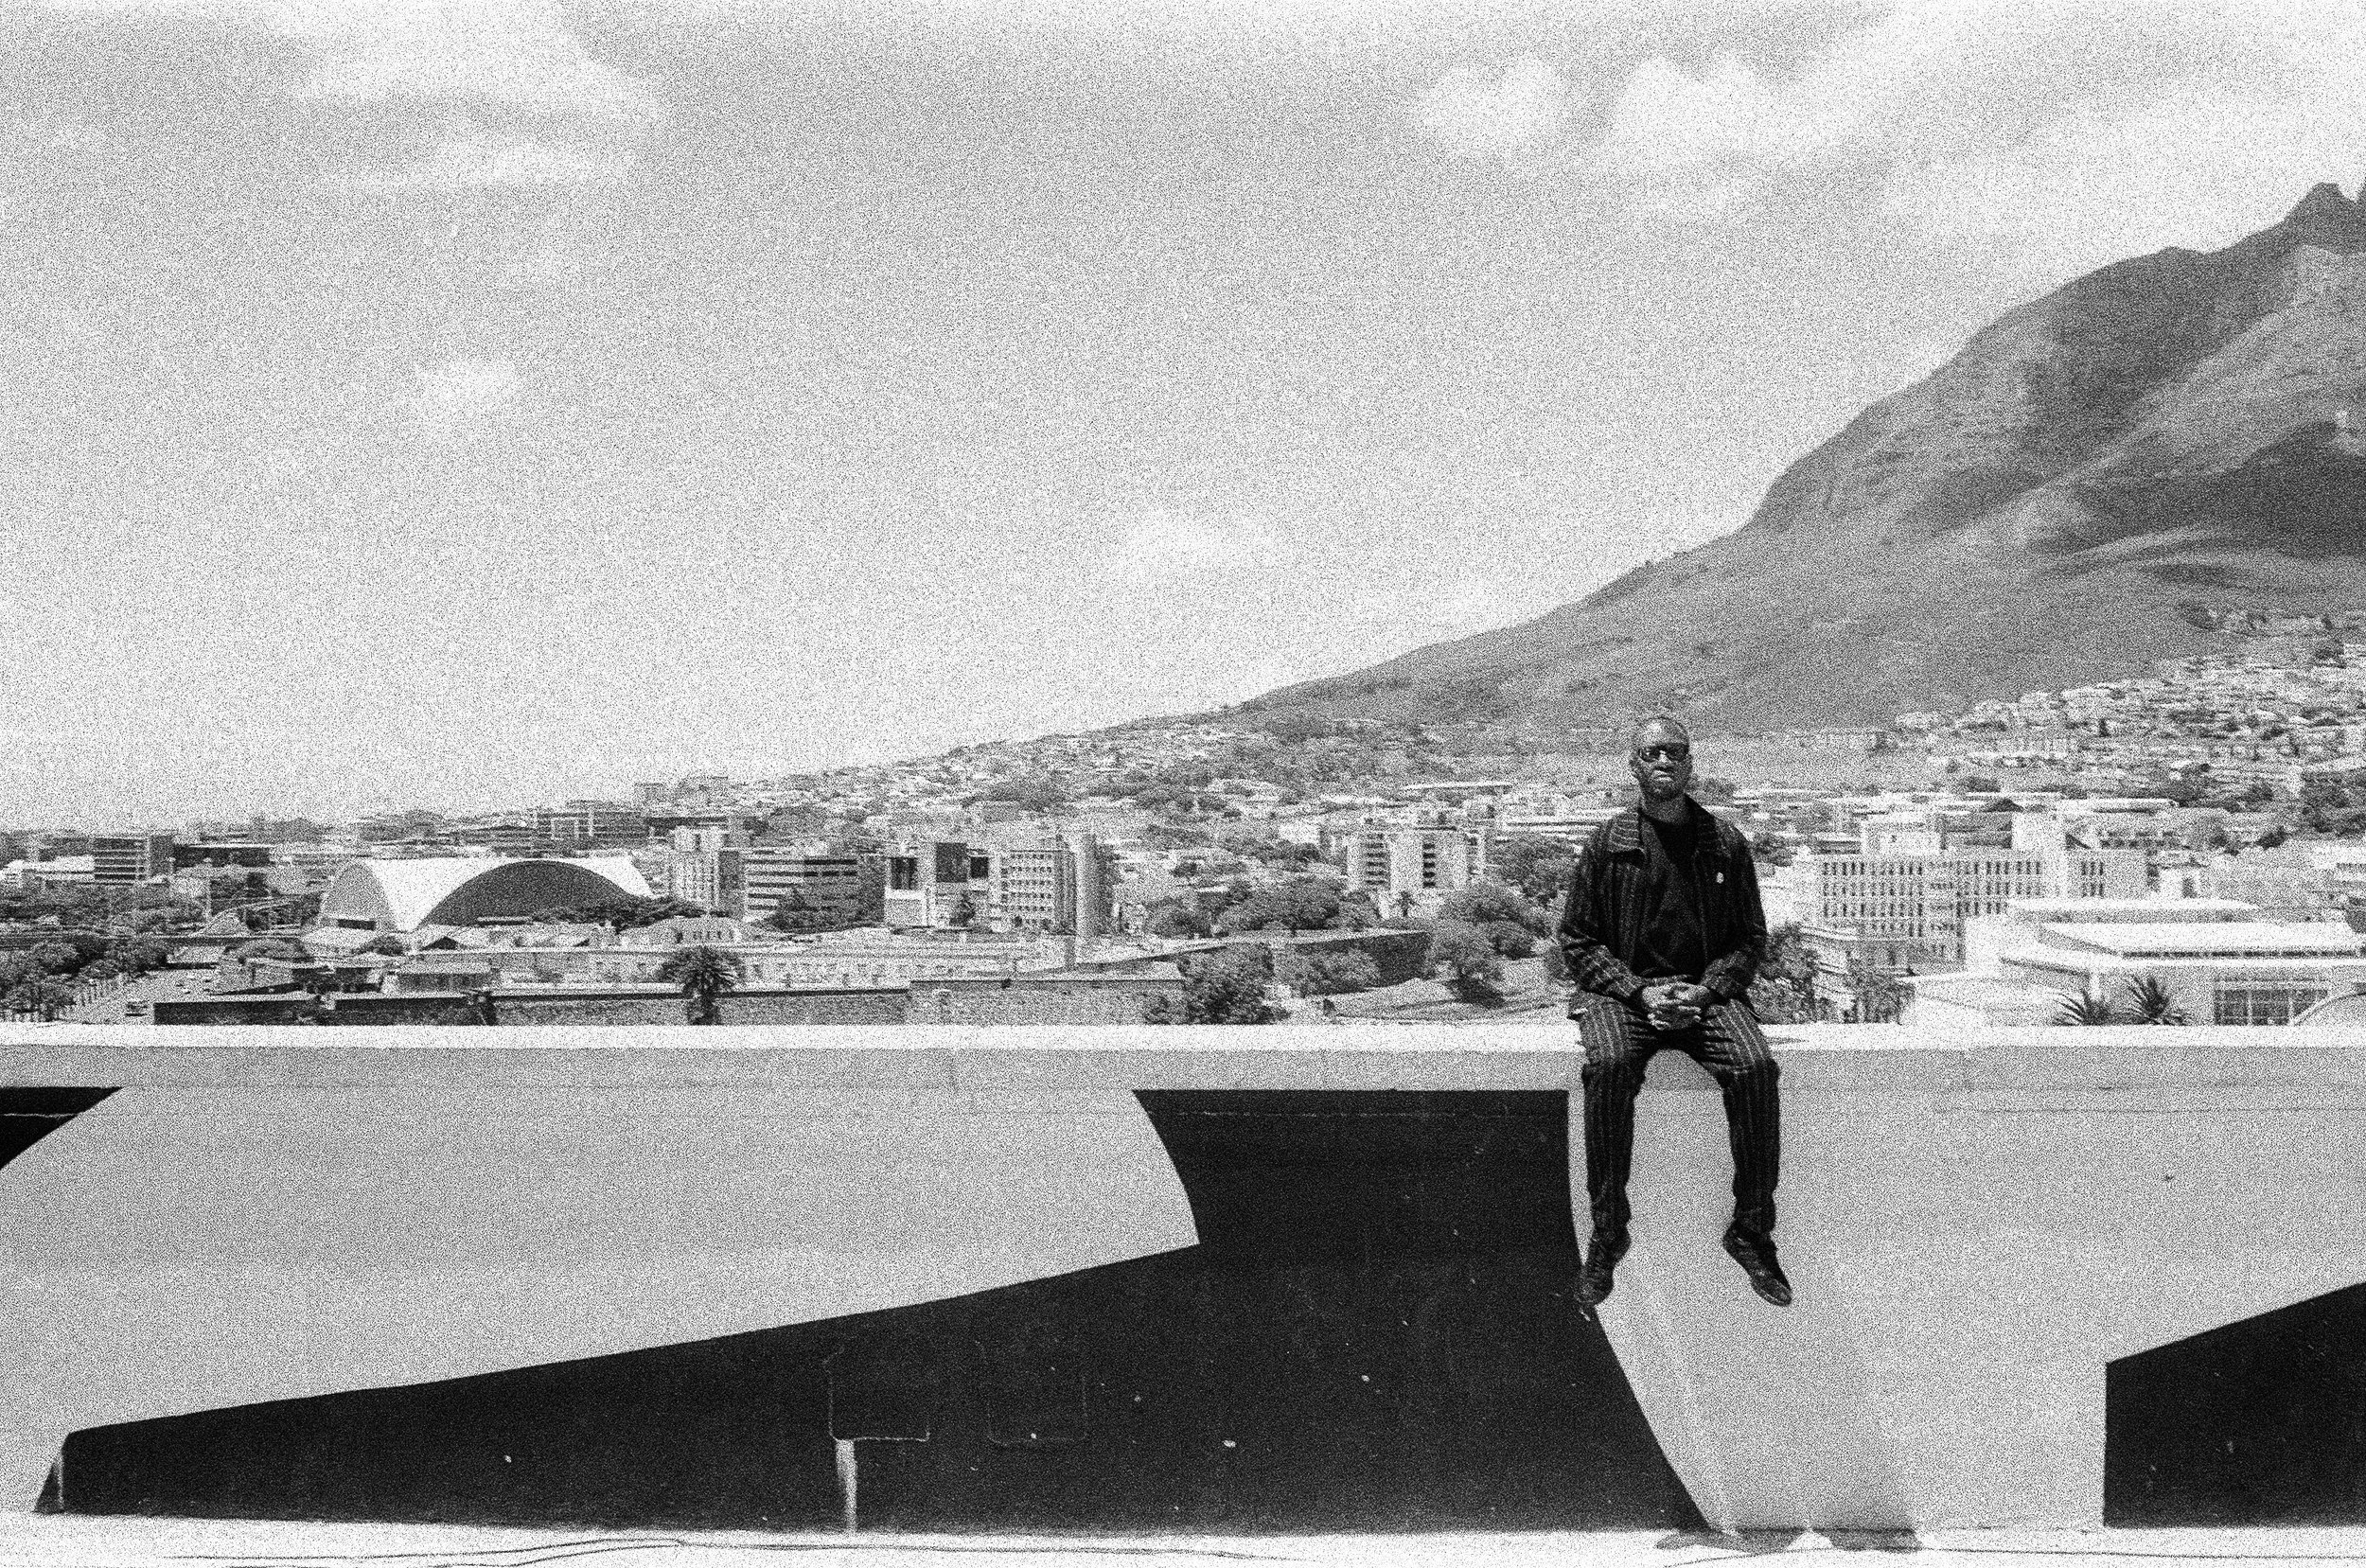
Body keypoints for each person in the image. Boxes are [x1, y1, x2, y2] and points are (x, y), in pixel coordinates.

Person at [1556, 716, 1789, 1309]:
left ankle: (1752, 1231)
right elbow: (1579, 941)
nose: (1665, 761)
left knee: (1756, 1068)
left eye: (1675, 752)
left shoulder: (1724, 843)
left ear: (1690, 765)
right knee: (1608, 1068)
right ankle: (1608, 1234)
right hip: (1624, 997)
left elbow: (1749, 939)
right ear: (1632, 765)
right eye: (1652, 752)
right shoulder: (1607, 845)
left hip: (1706, 996)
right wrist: (1638, 993)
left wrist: (1705, 993)